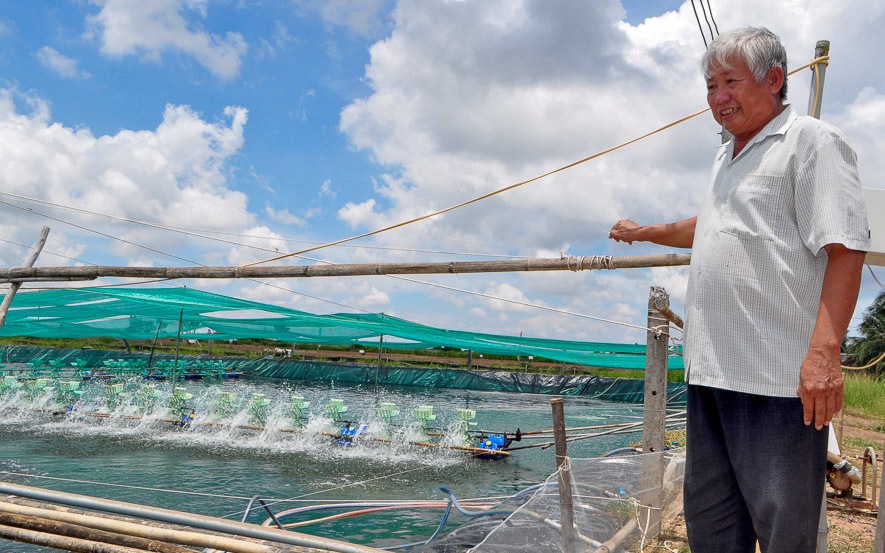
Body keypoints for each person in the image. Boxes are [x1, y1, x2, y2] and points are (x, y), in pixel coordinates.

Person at [609, 27, 869, 552]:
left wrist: (824, 355)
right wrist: (645, 232)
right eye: (709, 86)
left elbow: (846, 250)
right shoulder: (726, 156)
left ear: (775, 80)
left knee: (782, 530)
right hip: (711, 375)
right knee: (712, 524)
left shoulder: (811, 143)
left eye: (730, 81)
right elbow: (710, 224)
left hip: (776, 384)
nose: (717, 97)